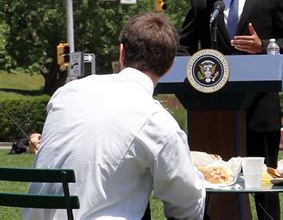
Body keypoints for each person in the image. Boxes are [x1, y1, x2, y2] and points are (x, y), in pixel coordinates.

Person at [23, 12, 206, 220]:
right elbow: (187, 205)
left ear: (122, 52)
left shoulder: (65, 93)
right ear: (170, 65)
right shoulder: (158, 121)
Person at [179, 0, 283, 219]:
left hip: (259, 108)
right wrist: (193, 67)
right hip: (212, 109)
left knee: (263, 181)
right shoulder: (204, 0)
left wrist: (265, 46)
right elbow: (182, 44)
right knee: (213, 177)